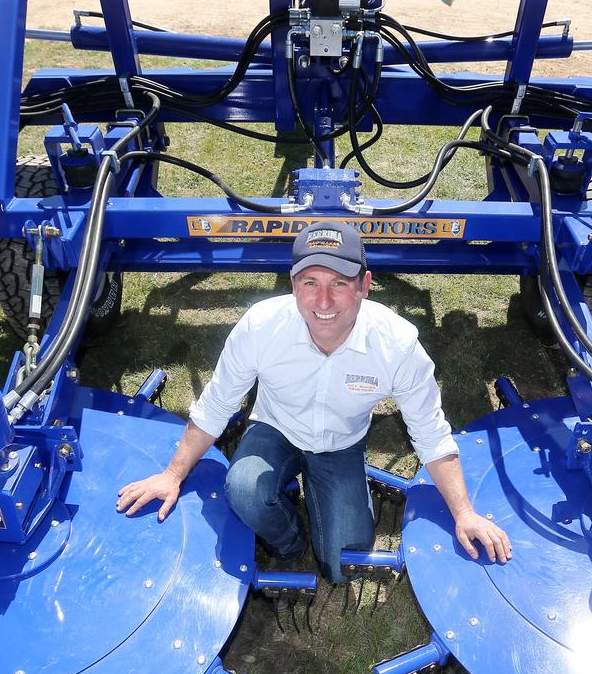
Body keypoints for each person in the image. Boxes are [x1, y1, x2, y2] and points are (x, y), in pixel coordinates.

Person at [116, 221, 511, 581]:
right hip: (275, 427)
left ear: (364, 285)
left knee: (343, 566)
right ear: (292, 284)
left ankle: (339, 507)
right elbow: (216, 405)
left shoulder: (398, 344)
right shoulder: (260, 326)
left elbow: (430, 435)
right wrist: (171, 474)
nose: (323, 301)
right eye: (310, 282)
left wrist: (464, 514)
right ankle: (288, 541)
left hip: (341, 443)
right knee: (244, 491)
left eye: (339, 283)